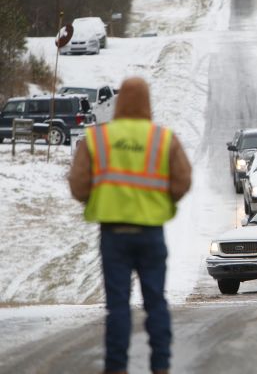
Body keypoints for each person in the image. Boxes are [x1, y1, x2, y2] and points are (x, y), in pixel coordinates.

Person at [68, 77, 192, 374]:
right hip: (151, 233)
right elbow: (183, 180)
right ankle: (160, 365)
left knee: (118, 305)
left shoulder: (98, 139)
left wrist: (96, 197)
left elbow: (78, 185)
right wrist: (163, 200)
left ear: (119, 102)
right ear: (148, 103)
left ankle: (116, 367)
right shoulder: (163, 139)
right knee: (156, 302)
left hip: (114, 234)